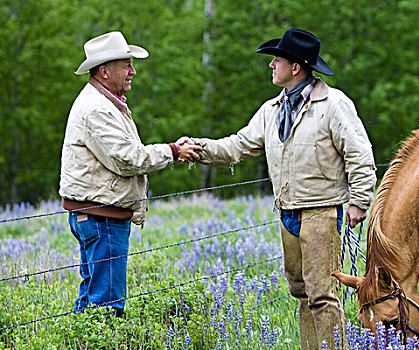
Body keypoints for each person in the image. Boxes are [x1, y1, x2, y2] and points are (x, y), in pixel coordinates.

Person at [183, 28, 376, 349]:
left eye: (277, 60)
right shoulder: (271, 110)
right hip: (288, 212)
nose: (272, 66)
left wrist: (359, 200)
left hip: (321, 211)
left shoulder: (333, 103)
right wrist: (198, 148)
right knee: (302, 292)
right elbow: (237, 145)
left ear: (296, 67)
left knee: (323, 294)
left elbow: (359, 153)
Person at [59, 31, 201, 316]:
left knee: (91, 296)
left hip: (98, 213)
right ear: (104, 70)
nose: (133, 71)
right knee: (107, 305)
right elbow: (127, 159)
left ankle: (81, 342)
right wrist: (173, 151)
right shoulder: (97, 108)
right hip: (103, 216)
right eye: (126, 65)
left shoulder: (104, 102)